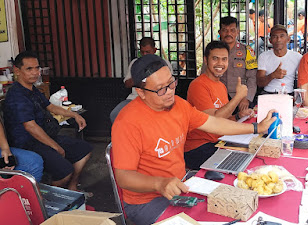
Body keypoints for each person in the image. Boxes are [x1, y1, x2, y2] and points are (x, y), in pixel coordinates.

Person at [111, 54, 276, 225]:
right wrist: (159, 184)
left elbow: (214, 123)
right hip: (146, 202)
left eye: (171, 83)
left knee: (232, 208)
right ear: (141, 92)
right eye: (161, 89)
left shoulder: (179, 105)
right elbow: (123, 177)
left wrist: (256, 128)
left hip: (181, 186)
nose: (169, 92)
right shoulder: (128, 122)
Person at [3, 51, 92, 191]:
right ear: (17, 71)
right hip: (28, 143)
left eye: (37, 68)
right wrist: (56, 147)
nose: (35, 72)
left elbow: (50, 106)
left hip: (44, 136)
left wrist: (74, 115)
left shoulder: (33, 90)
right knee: (65, 171)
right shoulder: (17, 95)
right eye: (29, 69)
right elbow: (30, 127)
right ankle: (45, 199)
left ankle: (72, 187)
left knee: (84, 150)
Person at [184, 41, 254, 169]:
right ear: (206, 60)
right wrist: (238, 97)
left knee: (252, 155)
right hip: (198, 147)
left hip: (218, 142)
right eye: (215, 59)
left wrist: (238, 116)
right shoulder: (198, 85)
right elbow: (214, 121)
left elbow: (223, 120)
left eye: (224, 59)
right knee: (240, 165)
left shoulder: (221, 86)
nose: (220, 64)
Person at [109, 37, 173, 123]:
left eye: (148, 52)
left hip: (158, 99)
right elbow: (127, 84)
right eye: (142, 52)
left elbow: (169, 83)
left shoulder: (163, 63)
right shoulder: (135, 63)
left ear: (155, 50)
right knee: (115, 114)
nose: (145, 54)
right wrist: (140, 76)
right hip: (135, 98)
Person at [214, 16, 258, 111]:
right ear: (219, 32)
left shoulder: (247, 51)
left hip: (240, 99)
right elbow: (205, 74)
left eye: (232, 30)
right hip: (217, 97)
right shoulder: (213, 51)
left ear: (237, 32)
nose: (228, 33)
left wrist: (247, 98)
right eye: (225, 30)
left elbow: (252, 77)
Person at [257, 24, 302, 95]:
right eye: (275, 37)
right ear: (270, 40)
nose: (278, 40)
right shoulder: (263, 56)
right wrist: (272, 75)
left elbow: (302, 81)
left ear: (288, 39)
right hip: (268, 94)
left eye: (282, 36)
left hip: (288, 94)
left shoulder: (297, 57)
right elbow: (259, 83)